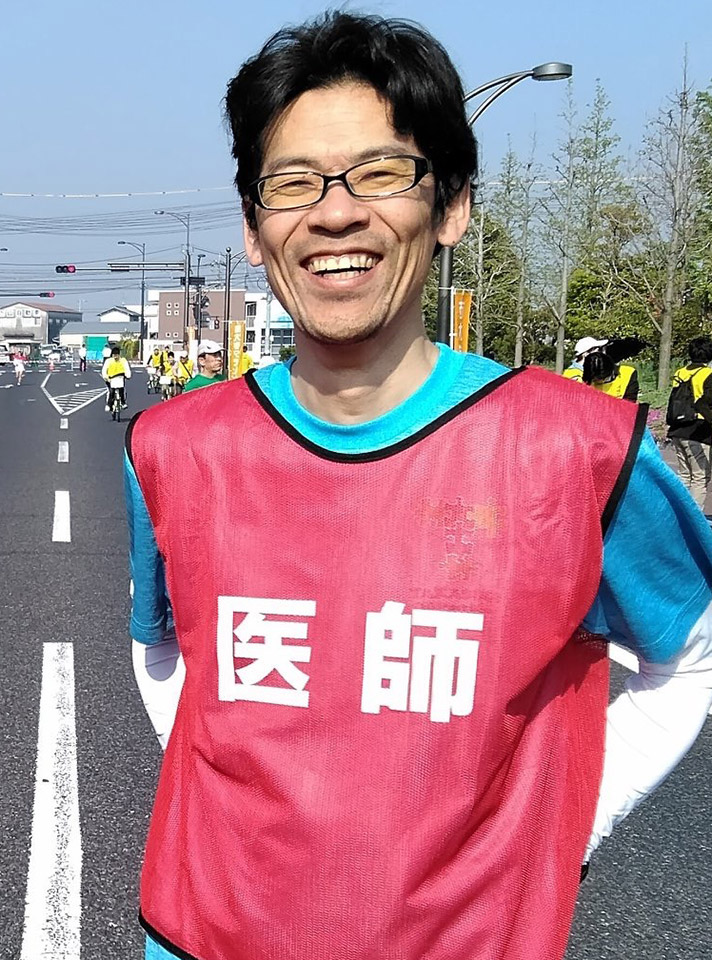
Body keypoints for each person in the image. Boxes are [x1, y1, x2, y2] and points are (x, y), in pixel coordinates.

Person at [125, 14, 712, 960]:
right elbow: (163, 651)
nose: (335, 213)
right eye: (292, 183)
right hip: (202, 935)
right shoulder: (173, 446)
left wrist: (568, 830)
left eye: (380, 173)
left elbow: (690, 655)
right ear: (251, 226)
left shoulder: (582, 452)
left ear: (452, 207)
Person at [668, 335, 712, 509]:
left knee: (685, 476)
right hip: (698, 430)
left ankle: (680, 515)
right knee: (700, 476)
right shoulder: (708, 374)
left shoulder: (680, 372)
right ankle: (694, 521)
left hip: (678, 429)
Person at [566, 336, 640, 401]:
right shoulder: (573, 375)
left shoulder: (624, 372)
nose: (604, 352)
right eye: (600, 349)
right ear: (586, 354)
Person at [101, 345, 132, 416]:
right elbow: (104, 370)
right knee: (111, 391)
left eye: (117, 355)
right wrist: (106, 377)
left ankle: (123, 402)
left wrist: (128, 375)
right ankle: (109, 404)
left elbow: (127, 369)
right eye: (114, 355)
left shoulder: (123, 361)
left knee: (122, 390)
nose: (115, 356)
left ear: (119, 355)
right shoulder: (108, 361)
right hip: (110, 379)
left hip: (120, 378)